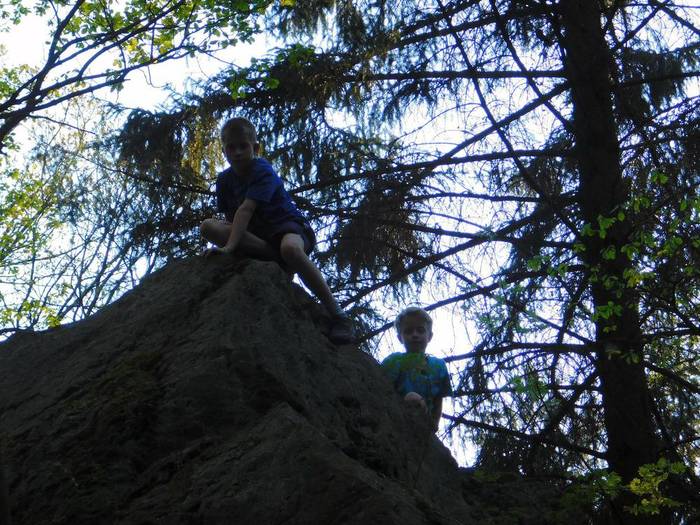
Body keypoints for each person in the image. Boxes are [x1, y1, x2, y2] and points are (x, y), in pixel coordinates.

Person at [200, 117, 353, 344]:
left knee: (290, 250)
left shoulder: (262, 170)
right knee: (208, 226)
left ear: (256, 148)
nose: (238, 152)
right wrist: (231, 245)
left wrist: (229, 247)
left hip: (287, 228)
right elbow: (232, 218)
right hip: (260, 239)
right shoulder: (224, 180)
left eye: (243, 146)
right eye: (231, 147)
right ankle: (277, 261)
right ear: (224, 151)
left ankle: (338, 315)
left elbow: (246, 210)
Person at [381, 306, 452, 431]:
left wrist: (435, 424)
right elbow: (383, 391)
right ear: (400, 338)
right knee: (411, 397)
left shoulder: (439, 365)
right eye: (408, 331)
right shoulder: (393, 361)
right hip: (398, 416)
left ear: (429, 336)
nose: (415, 335)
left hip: (425, 422)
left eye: (420, 330)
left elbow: (438, 399)